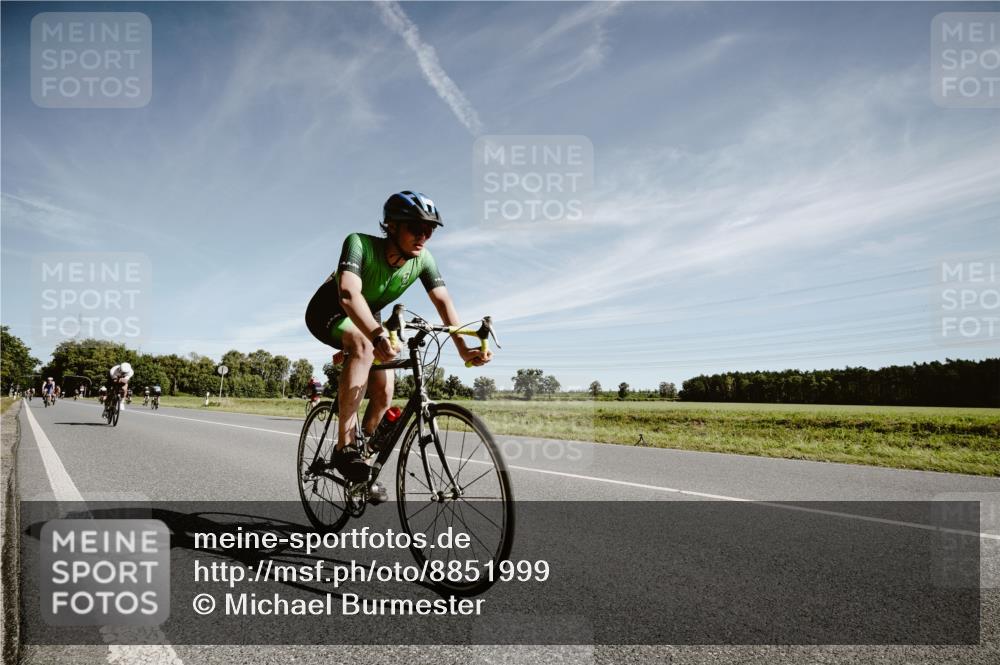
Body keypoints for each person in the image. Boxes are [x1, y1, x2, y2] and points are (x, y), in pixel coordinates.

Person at [305, 191, 491, 502]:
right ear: (392, 226)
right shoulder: (359, 243)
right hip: (330, 309)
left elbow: (444, 304)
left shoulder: (423, 260)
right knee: (365, 345)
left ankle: (360, 469)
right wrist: (377, 336)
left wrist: (462, 347)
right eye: (416, 228)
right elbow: (350, 294)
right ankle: (344, 447)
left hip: (369, 317)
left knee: (384, 392)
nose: (424, 236)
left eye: (429, 230)